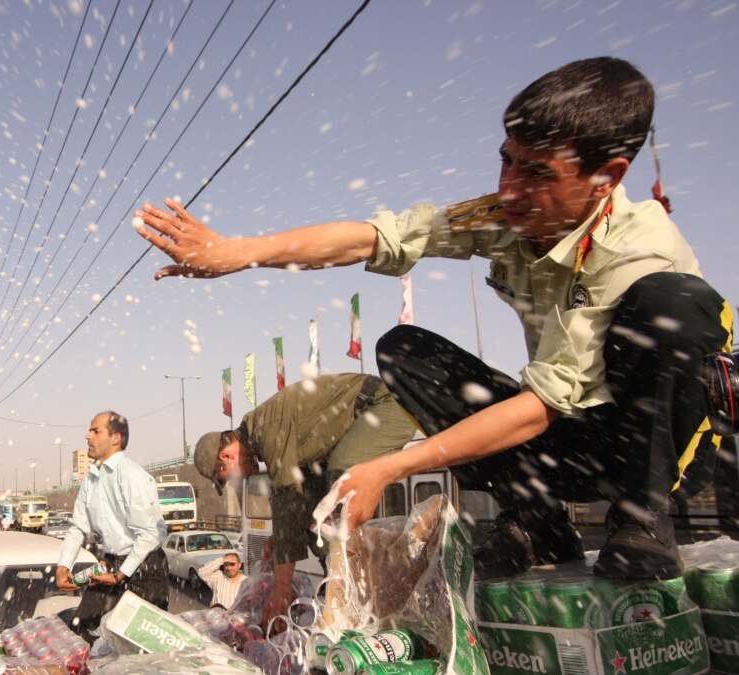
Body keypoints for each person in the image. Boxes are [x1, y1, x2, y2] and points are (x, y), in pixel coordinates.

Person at [136, 57, 732, 582]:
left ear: (609, 177)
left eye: (538, 174)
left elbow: (542, 405)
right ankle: (540, 523)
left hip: (647, 448)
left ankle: (643, 517)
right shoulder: (505, 213)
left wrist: (392, 466)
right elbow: (375, 238)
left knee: (673, 302)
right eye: (507, 162)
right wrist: (239, 252)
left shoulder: (637, 249)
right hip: (564, 445)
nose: (510, 190)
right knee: (405, 349)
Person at [193, 373, 416, 626]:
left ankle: (383, 583)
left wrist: (281, 589)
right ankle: (344, 592)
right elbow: (296, 500)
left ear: (225, 457)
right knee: (317, 520)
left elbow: (287, 495)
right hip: (361, 421)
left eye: (227, 477)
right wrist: (279, 540)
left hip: (385, 403)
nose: (239, 480)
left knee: (342, 474)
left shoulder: (264, 429)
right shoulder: (262, 436)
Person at [55, 411, 170, 639]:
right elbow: (78, 528)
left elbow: (151, 534)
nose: (88, 436)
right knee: (83, 631)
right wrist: (63, 566)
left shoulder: (131, 476)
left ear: (116, 438)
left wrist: (120, 575)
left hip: (144, 567)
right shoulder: (91, 479)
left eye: (95, 431)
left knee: (139, 643)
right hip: (110, 565)